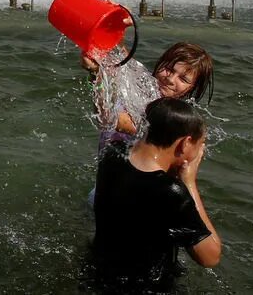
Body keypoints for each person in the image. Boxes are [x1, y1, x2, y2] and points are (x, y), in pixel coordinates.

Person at [91, 97, 222, 288]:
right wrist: (189, 182)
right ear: (185, 143)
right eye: (200, 145)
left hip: (98, 272)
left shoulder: (112, 153)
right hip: (144, 286)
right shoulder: (171, 192)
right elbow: (210, 257)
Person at [83, 41, 214, 149]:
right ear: (161, 62)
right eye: (169, 69)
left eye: (183, 79)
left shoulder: (173, 117)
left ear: (192, 88)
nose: (170, 79)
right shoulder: (143, 82)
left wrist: (96, 74)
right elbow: (122, 56)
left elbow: (111, 120)